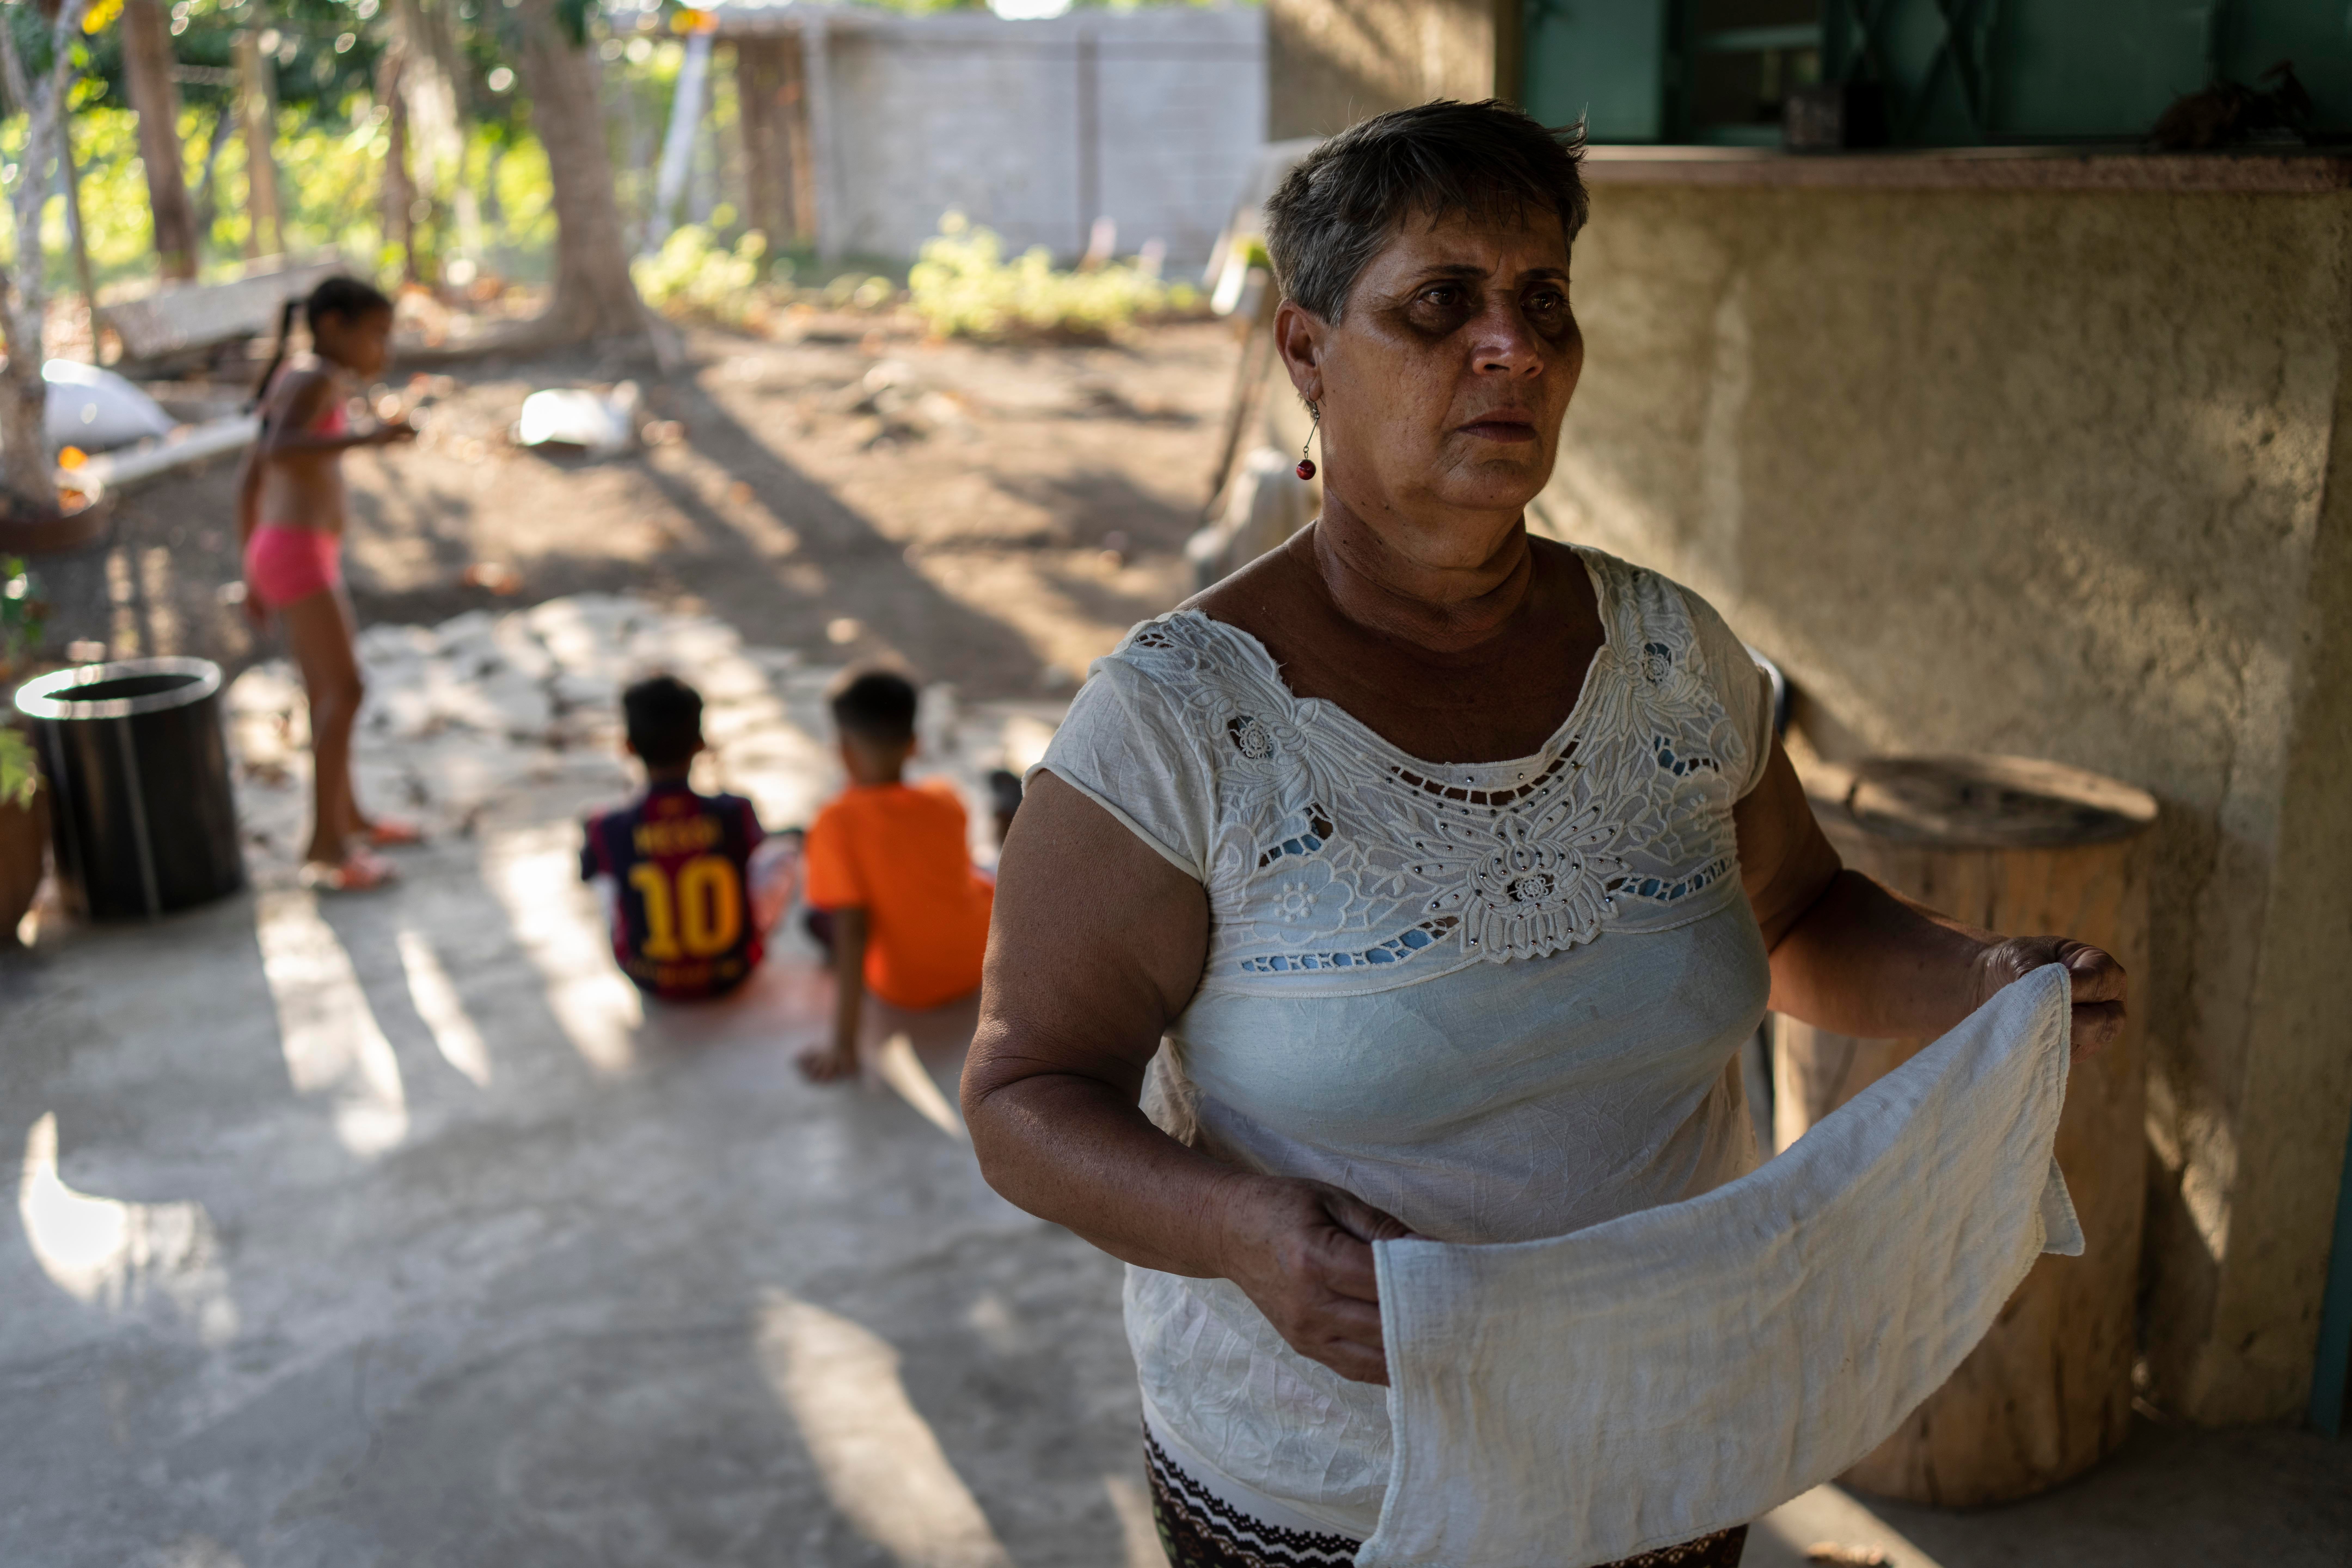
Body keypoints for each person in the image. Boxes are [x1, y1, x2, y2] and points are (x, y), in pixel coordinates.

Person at [960, 100, 2128, 1568]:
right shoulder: (1182, 725)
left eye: (1544, 303)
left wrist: (1980, 977)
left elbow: (1795, 918)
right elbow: (1025, 1099)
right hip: (1342, 1492)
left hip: (1665, 1436)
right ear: (1306, 350)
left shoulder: (1673, 658)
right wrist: (1243, 1236)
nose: (1509, 346)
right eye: (1440, 304)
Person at [237, 276, 420, 891]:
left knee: (327, 695)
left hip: (287, 549)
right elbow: (283, 449)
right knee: (347, 689)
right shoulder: (313, 378)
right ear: (335, 325)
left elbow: (250, 476)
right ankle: (327, 845)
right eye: (377, 334)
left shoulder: (300, 375)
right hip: (296, 554)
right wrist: (369, 437)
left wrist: (250, 569)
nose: (383, 349)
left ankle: (350, 817)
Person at [798, 668, 998, 1083]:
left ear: (844, 752)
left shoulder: (836, 822)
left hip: (907, 990)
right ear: (913, 745)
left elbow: (852, 928)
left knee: (818, 919)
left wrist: (843, 1044)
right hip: (975, 958)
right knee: (978, 877)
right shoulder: (946, 799)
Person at [580, 675, 773, 1002]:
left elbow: (587, 875)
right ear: (701, 743)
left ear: (627, 746)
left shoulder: (607, 824)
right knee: (777, 856)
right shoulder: (736, 810)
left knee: (607, 874)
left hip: (649, 977)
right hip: (733, 971)